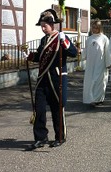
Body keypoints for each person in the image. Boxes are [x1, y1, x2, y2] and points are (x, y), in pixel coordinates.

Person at [26, 9, 78, 150]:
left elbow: (73, 53)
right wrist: (30, 56)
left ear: (52, 25)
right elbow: (40, 57)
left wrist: (65, 42)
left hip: (57, 77)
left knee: (57, 108)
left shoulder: (60, 37)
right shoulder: (44, 40)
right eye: (42, 26)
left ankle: (60, 136)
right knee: (39, 108)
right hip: (43, 78)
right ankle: (40, 137)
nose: (43, 28)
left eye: (45, 26)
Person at [82, 20, 111, 107]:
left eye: (96, 28)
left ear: (100, 28)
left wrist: (108, 63)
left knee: (99, 81)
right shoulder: (89, 39)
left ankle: (98, 99)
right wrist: (80, 53)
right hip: (91, 64)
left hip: (100, 63)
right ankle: (90, 98)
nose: (94, 29)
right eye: (93, 27)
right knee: (90, 80)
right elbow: (86, 51)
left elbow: (107, 51)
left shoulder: (104, 38)